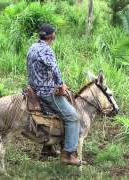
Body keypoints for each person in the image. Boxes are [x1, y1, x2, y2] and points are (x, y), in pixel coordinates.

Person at [26, 24, 81, 166]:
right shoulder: (47, 50)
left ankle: (48, 147)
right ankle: (68, 153)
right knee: (73, 117)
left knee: (54, 117)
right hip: (46, 92)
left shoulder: (33, 47)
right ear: (52, 36)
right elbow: (54, 68)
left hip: (33, 89)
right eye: (54, 35)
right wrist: (61, 85)